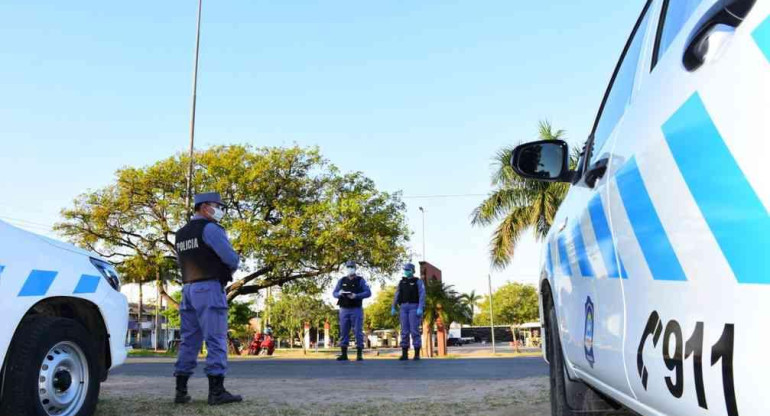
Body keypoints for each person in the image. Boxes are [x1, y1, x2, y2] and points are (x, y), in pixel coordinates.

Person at [173, 192, 243, 406]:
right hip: (209, 288)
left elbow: (181, 262)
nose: (220, 210)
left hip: (187, 290)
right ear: (204, 207)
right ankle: (216, 391)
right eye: (217, 206)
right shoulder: (211, 229)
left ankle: (181, 390)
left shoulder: (181, 234)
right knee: (216, 339)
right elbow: (231, 259)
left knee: (189, 341)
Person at [332, 260, 372, 361]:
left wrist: (356, 296)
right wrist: (339, 294)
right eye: (348, 267)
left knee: (358, 330)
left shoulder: (360, 280)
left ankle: (359, 354)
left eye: (352, 267)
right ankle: (344, 354)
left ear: (355, 268)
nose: (350, 269)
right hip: (343, 309)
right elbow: (334, 293)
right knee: (344, 331)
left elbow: (368, 292)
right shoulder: (342, 280)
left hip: (356, 309)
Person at [391, 263, 426, 360]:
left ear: (412, 270)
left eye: (408, 269)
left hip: (414, 307)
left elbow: (422, 294)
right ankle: (404, 353)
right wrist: (393, 306)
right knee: (404, 331)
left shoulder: (418, 281)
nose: (406, 271)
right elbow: (396, 295)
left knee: (414, 330)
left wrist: (420, 307)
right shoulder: (401, 282)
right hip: (403, 307)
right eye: (405, 269)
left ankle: (417, 353)